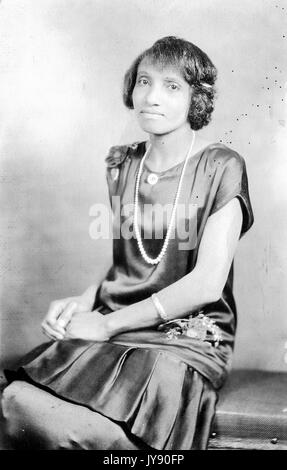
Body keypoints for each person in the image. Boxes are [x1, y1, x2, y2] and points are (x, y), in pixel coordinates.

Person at [2, 36, 254, 450]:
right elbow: (134, 262)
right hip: (121, 320)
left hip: (185, 337)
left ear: (196, 98)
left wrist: (104, 323)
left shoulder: (222, 165)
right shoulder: (123, 163)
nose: (151, 97)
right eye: (143, 81)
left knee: (93, 433)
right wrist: (86, 299)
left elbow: (207, 283)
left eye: (172, 86)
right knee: (15, 400)